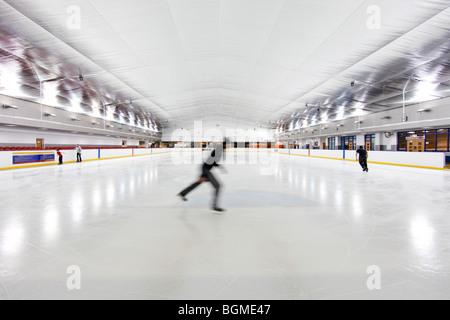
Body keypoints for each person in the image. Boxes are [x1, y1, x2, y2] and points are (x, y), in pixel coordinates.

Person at [178, 141, 227, 212]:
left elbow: (212, 161)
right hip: (206, 170)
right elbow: (211, 161)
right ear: (225, 144)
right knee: (217, 186)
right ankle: (214, 206)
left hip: (205, 169)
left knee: (198, 182)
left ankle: (183, 193)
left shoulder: (219, 150)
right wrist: (219, 167)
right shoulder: (218, 150)